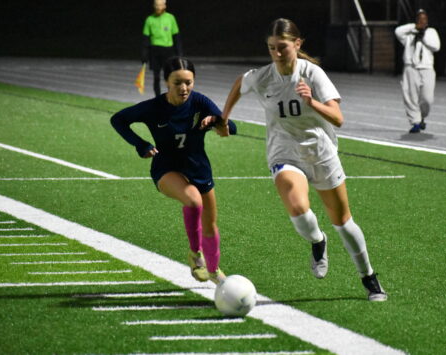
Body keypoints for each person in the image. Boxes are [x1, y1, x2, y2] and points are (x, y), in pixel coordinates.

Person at [221, 18, 387, 301]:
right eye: (272, 48)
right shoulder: (264, 76)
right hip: (284, 150)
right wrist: (224, 117)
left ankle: (369, 277)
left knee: (343, 223)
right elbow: (240, 83)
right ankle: (317, 241)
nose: (277, 53)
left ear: (297, 44)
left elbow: (338, 118)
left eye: (282, 47)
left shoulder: (313, 74)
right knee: (297, 207)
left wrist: (312, 102)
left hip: (320, 152)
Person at [111, 57, 237, 284]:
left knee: (210, 223)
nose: (184, 88)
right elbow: (118, 119)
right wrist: (141, 145)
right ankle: (195, 255)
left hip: (198, 168)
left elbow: (231, 127)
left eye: (188, 82)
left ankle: (214, 270)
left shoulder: (199, 102)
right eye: (177, 82)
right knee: (193, 201)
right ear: (166, 82)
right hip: (166, 168)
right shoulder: (154, 107)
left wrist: (217, 120)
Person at [395, 9, 440, 133]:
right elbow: (398, 31)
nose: (422, 21)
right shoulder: (410, 34)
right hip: (411, 67)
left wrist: (423, 35)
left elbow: (436, 46)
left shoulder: (431, 32)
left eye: (424, 19)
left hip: (426, 68)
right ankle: (415, 122)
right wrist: (414, 27)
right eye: (419, 19)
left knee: (427, 98)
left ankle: (422, 117)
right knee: (410, 96)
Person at [141, 0, 184, 96]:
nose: (158, 8)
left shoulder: (170, 18)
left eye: (160, 5)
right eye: (156, 5)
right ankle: (158, 98)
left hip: (168, 51)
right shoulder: (150, 19)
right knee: (156, 77)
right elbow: (145, 40)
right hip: (155, 51)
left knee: (169, 76)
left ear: (164, 5)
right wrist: (144, 55)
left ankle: (170, 97)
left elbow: (176, 37)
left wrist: (179, 53)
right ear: (153, 6)